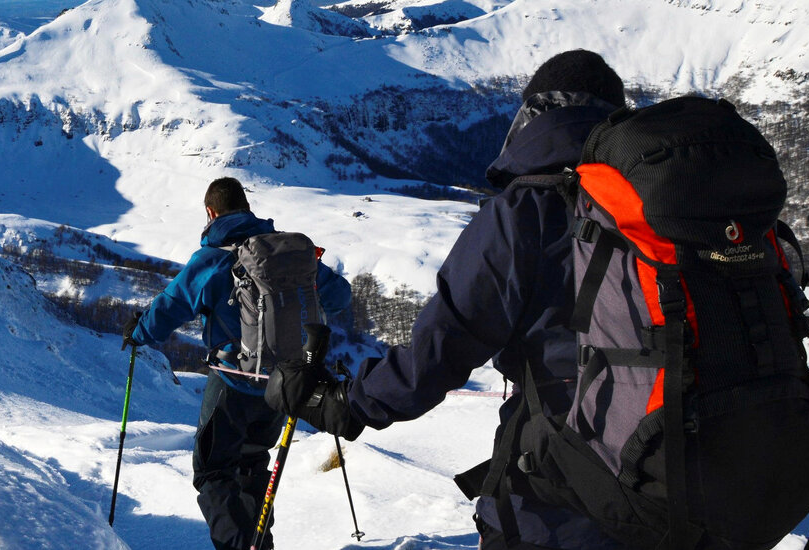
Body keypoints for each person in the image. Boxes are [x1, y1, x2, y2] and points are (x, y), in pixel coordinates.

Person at [267, 50, 631, 549]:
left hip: (565, 496)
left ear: (534, 119)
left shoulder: (528, 210)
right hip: (694, 490)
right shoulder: (676, 209)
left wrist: (348, 403)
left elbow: (441, 346)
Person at [121, 177, 352, 550]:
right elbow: (340, 296)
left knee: (213, 470)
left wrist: (137, 333)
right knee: (253, 463)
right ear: (247, 206)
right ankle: (258, 544)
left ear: (211, 213)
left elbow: (171, 306)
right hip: (282, 385)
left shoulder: (212, 258)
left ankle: (237, 546)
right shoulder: (286, 251)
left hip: (233, 382)